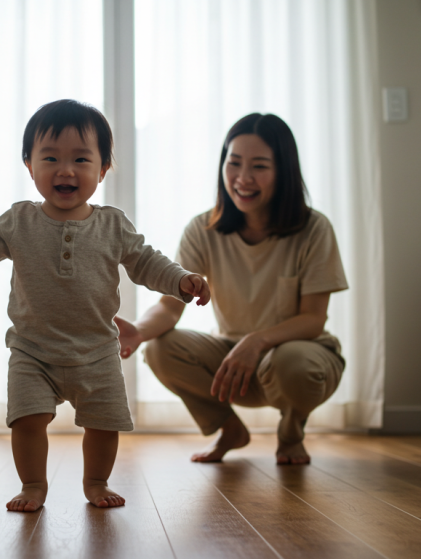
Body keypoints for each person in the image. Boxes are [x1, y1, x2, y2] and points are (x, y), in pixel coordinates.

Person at [0, 99, 210, 512]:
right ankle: (33, 485)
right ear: (29, 166)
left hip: (97, 350)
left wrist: (180, 280)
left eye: (81, 159)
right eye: (50, 157)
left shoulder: (113, 225)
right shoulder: (19, 220)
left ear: (102, 170)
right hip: (33, 350)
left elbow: (146, 262)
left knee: (104, 424)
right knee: (27, 420)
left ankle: (97, 482)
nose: (65, 170)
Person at [114, 113, 347, 465]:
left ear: (283, 170)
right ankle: (230, 429)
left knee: (293, 362)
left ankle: (291, 433)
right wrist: (139, 331)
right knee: (161, 349)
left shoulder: (314, 229)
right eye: (234, 163)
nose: (243, 178)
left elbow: (313, 319)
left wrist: (257, 341)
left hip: (295, 360)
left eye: (259, 166)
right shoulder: (203, 229)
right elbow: (169, 308)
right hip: (230, 362)